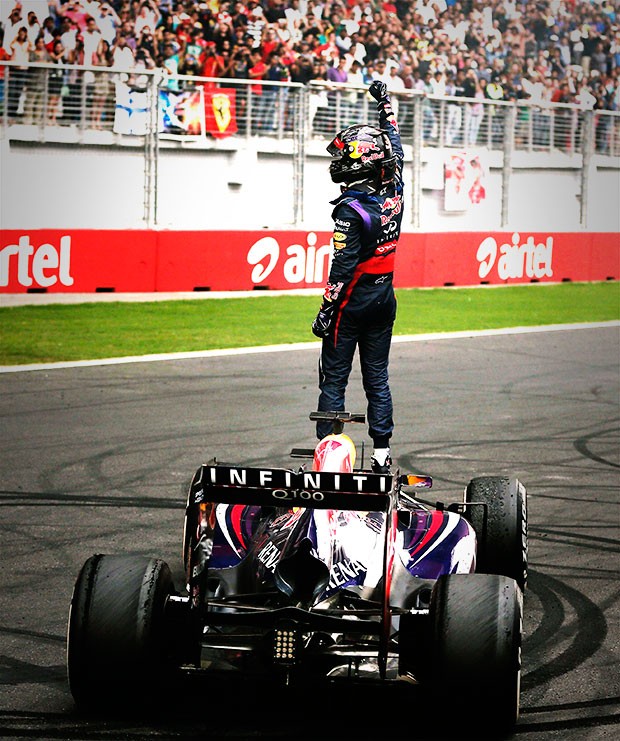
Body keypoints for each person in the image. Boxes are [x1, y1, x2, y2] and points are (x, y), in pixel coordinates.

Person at [311, 80, 404, 474]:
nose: (337, 161)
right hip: (385, 298)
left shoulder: (351, 209)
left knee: (334, 374)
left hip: (353, 300)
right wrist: (385, 105)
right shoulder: (395, 186)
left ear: (360, 161)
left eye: (343, 155)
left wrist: (326, 310)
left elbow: (342, 267)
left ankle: (330, 456)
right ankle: (381, 457)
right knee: (377, 378)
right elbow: (396, 145)